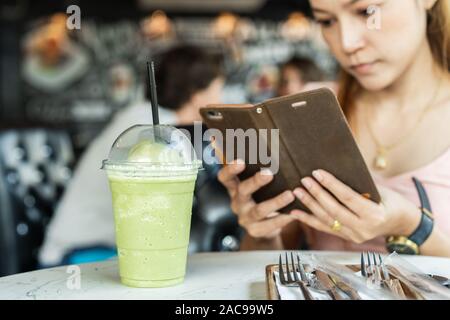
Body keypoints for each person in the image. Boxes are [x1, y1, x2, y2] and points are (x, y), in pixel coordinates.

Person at [217, 0, 450, 257]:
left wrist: (411, 226)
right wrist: (262, 228)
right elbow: (268, 269)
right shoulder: (309, 111)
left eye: (367, 12)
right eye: (327, 21)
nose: (347, 43)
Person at [38, 44, 224, 266]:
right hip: (76, 256)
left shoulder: (145, 117)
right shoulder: (148, 126)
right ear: (196, 94)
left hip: (100, 249)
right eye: (217, 90)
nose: (220, 101)